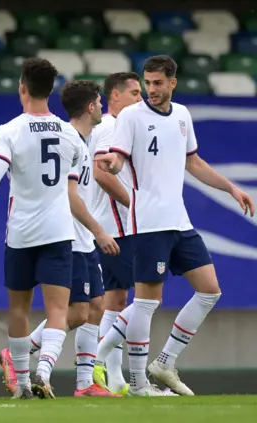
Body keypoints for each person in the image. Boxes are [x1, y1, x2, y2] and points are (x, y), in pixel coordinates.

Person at [95, 55, 255, 396]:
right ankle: (135, 381)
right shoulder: (131, 117)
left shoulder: (182, 115)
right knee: (147, 302)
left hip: (179, 220)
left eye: (157, 83)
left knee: (210, 289)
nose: (151, 90)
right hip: (149, 223)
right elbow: (119, 157)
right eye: (147, 83)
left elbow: (193, 162)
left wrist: (230, 187)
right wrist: (112, 162)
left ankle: (164, 362)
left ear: (172, 83)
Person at [0, 58, 86, 399]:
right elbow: (77, 175)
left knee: (19, 309)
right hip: (59, 231)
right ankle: (44, 370)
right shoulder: (69, 132)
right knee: (58, 310)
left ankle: (24, 385)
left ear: (23, 88)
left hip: (22, 234)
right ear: (51, 90)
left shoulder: (10, 130)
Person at [0, 80, 121, 398]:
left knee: (96, 307)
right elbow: (69, 195)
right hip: (71, 237)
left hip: (83, 239)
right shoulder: (65, 138)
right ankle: (25, 360)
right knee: (75, 311)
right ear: (90, 106)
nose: (103, 107)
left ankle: (84, 382)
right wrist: (97, 230)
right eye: (99, 102)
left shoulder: (86, 141)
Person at [89, 72, 142, 395]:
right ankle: (107, 365)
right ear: (116, 96)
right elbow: (101, 174)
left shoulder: (116, 127)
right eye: (135, 93)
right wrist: (136, 205)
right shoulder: (111, 127)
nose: (141, 98)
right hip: (116, 226)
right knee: (147, 296)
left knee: (116, 299)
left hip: (115, 224)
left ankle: (114, 377)